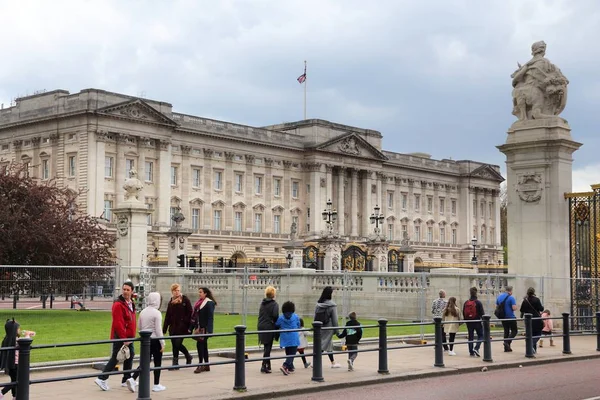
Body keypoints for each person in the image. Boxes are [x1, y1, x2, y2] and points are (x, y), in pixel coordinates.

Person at [95, 281, 137, 392]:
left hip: (128, 336)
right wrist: (124, 339)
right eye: (124, 289)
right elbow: (118, 323)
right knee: (116, 357)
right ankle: (102, 378)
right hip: (122, 337)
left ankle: (126, 379)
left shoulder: (131, 302)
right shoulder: (118, 304)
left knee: (130, 355)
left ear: (132, 291)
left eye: (128, 290)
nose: (125, 292)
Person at [132, 292, 166, 392]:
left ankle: (133, 378)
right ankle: (156, 384)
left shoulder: (143, 311)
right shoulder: (157, 313)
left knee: (145, 361)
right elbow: (159, 330)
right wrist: (162, 342)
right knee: (157, 362)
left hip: (145, 339)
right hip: (155, 340)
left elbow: (139, 326)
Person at [0, 319, 36, 400]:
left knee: (14, 381)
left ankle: (15, 396)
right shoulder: (15, 340)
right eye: (18, 328)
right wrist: (27, 335)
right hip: (15, 365)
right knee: (16, 381)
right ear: (14, 330)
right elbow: (24, 343)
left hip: (10, 365)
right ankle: (1, 392)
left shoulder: (8, 339)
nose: (19, 330)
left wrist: (28, 336)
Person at [162, 283, 193, 369]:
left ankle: (187, 356)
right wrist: (164, 328)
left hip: (182, 327)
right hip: (173, 327)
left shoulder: (185, 299)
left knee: (177, 343)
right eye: (175, 290)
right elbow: (168, 315)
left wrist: (186, 322)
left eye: (178, 290)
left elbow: (190, 312)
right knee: (174, 344)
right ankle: (176, 363)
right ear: (172, 291)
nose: (177, 292)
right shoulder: (171, 301)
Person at [190, 287, 216, 373]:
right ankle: (206, 365)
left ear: (205, 293)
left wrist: (209, 330)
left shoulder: (209, 303)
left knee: (200, 346)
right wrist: (191, 328)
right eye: (199, 292)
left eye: (200, 292)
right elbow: (195, 316)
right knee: (203, 346)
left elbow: (210, 317)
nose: (199, 294)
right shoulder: (199, 303)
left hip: (204, 328)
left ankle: (201, 364)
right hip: (199, 328)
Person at [315, 286, 341, 368]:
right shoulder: (332, 305)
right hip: (329, 328)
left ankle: (333, 362)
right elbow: (335, 320)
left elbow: (315, 316)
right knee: (322, 345)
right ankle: (315, 362)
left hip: (320, 326)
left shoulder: (319, 304)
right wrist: (337, 332)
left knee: (328, 344)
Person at [257, 286, 279, 373]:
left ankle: (268, 364)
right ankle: (263, 365)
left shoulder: (262, 303)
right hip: (269, 326)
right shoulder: (274, 304)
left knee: (266, 346)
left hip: (261, 325)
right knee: (268, 346)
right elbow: (275, 316)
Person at [275, 301, 301, 375]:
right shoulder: (295, 316)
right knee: (292, 353)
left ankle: (290, 366)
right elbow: (298, 325)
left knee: (288, 352)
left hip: (285, 337)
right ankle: (285, 365)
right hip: (293, 337)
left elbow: (277, 324)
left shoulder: (281, 317)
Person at [520, 287, 544, 353]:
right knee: (538, 333)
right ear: (534, 292)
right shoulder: (537, 299)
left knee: (530, 333)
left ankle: (533, 349)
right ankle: (531, 344)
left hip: (528, 320)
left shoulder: (525, 300)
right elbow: (541, 309)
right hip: (536, 319)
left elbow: (522, 310)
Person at [463, 287, 485, 357]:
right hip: (477, 321)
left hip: (469, 322)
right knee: (481, 335)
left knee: (470, 337)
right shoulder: (478, 302)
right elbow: (482, 313)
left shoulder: (466, 302)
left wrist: (466, 320)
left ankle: (471, 352)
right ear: (476, 293)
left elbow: (464, 312)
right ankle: (476, 347)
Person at [496, 285, 518, 352]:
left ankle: (506, 348)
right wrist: (516, 307)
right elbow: (514, 308)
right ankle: (507, 342)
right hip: (511, 317)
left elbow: (497, 306)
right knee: (514, 331)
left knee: (506, 331)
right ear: (510, 291)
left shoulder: (499, 297)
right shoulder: (511, 298)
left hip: (503, 317)